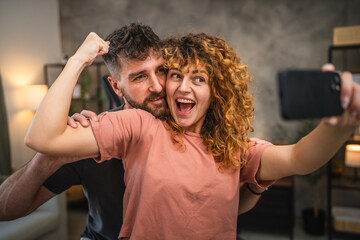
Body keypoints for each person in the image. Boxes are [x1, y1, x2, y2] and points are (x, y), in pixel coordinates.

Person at [24, 30, 360, 239]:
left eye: (198, 79)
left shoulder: (235, 149)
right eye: (176, 76)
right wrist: (79, 60)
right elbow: (44, 138)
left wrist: (338, 126)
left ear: (216, 91)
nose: (183, 87)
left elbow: (299, 159)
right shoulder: (139, 127)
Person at [0, 23, 264, 239]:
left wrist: (256, 182)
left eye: (161, 71)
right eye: (139, 77)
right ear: (116, 87)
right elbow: (6, 208)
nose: (158, 86)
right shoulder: (96, 132)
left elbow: (223, 210)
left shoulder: (195, 126)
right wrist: (49, 156)